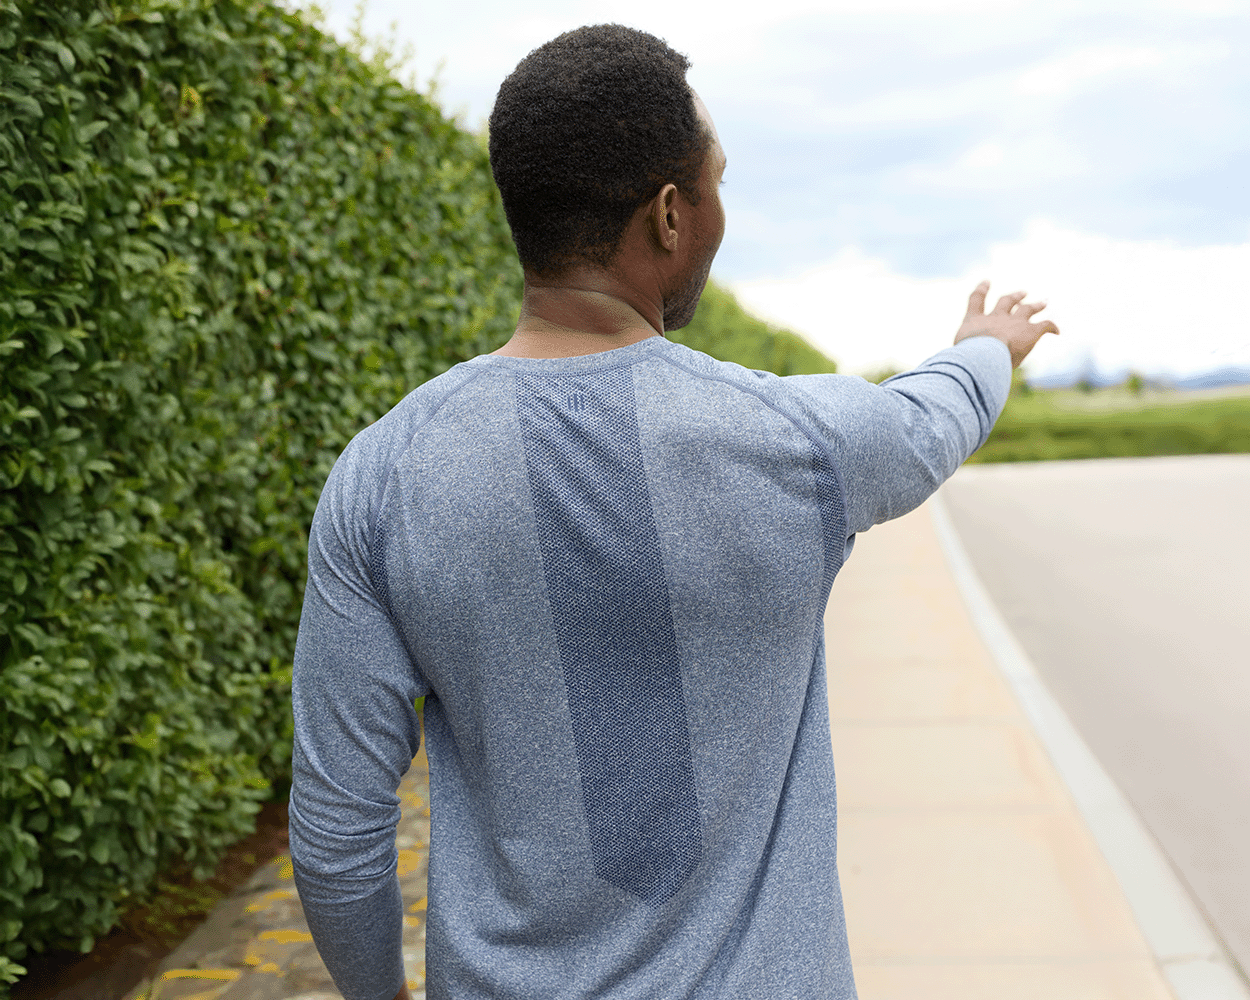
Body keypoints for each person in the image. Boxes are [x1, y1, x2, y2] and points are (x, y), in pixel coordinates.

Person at [288, 23, 1057, 1000]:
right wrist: (987, 344)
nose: (718, 210)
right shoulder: (789, 438)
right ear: (666, 214)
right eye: (715, 184)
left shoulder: (381, 474)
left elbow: (335, 830)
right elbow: (926, 420)